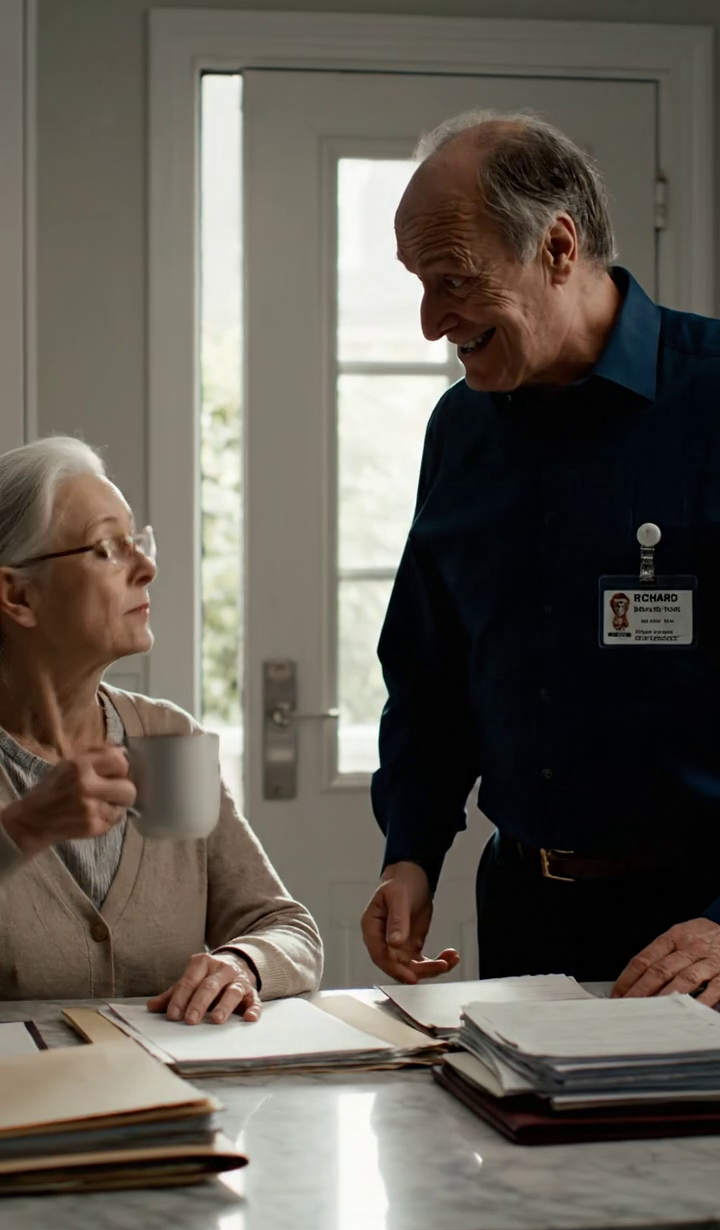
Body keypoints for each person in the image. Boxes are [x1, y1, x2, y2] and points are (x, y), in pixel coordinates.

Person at [361, 108, 720, 1003]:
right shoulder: (461, 429)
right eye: (418, 283)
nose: (430, 320)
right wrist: (411, 854)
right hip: (525, 913)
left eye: (453, 281)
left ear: (558, 247)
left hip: (699, 929)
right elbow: (429, 673)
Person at [0, 437, 323, 1021]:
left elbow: (283, 927)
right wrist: (23, 827)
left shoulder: (165, 741)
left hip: (170, 1104)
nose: (147, 568)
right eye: (107, 548)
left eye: (137, 543)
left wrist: (244, 964)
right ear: (17, 594)